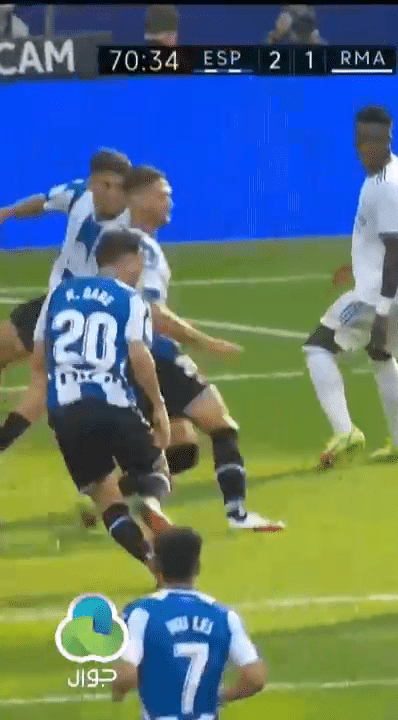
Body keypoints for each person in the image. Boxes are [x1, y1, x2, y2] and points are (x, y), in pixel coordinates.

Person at [119, 166, 285, 532]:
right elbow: (152, 312)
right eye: (162, 195)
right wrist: (205, 342)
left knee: (180, 447)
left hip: (121, 357)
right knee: (222, 425)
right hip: (152, 351)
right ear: (137, 198)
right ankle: (238, 514)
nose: (169, 203)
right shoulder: (142, 248)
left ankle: (122, 497)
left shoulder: (117, 242)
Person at [18, 229, 171, 578]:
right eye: (140, 262)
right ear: (129, 260)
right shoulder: (130, 298)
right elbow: (138, 354)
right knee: (155, 468)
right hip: (114, 401)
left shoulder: (58, 294)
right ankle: (150, 502)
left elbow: (39, 360)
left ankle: (151, 563)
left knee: (105, 497)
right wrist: (158, 404)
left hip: (67, 410)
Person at [303, 105, 398, 469]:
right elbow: (388, 242)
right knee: (380, 355)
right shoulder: (395, 170)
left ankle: (345, 432)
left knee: (318, 347)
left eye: (374, 139)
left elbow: (394, 252)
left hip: (384, 294)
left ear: (388, 139)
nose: (366, 147)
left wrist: (382, 313)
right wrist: (358, 264)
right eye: (361, 139)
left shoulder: (386, 187)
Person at [0, 149, 132, 405]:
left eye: (120, 186)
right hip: (58, 300)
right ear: (92, 183)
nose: (113, 193)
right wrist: (9, 212)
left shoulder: (130, 226)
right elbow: (44, 201)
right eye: (105, 185)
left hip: (94, 313)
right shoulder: (79, 193)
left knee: (65, 391)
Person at [113, 527, 268, 716]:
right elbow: (255, 678)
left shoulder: (141, 613)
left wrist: (118, 691)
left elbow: (126, 676)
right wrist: (219, 697)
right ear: (197, 567)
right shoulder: (225, 616)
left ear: (155, 566)